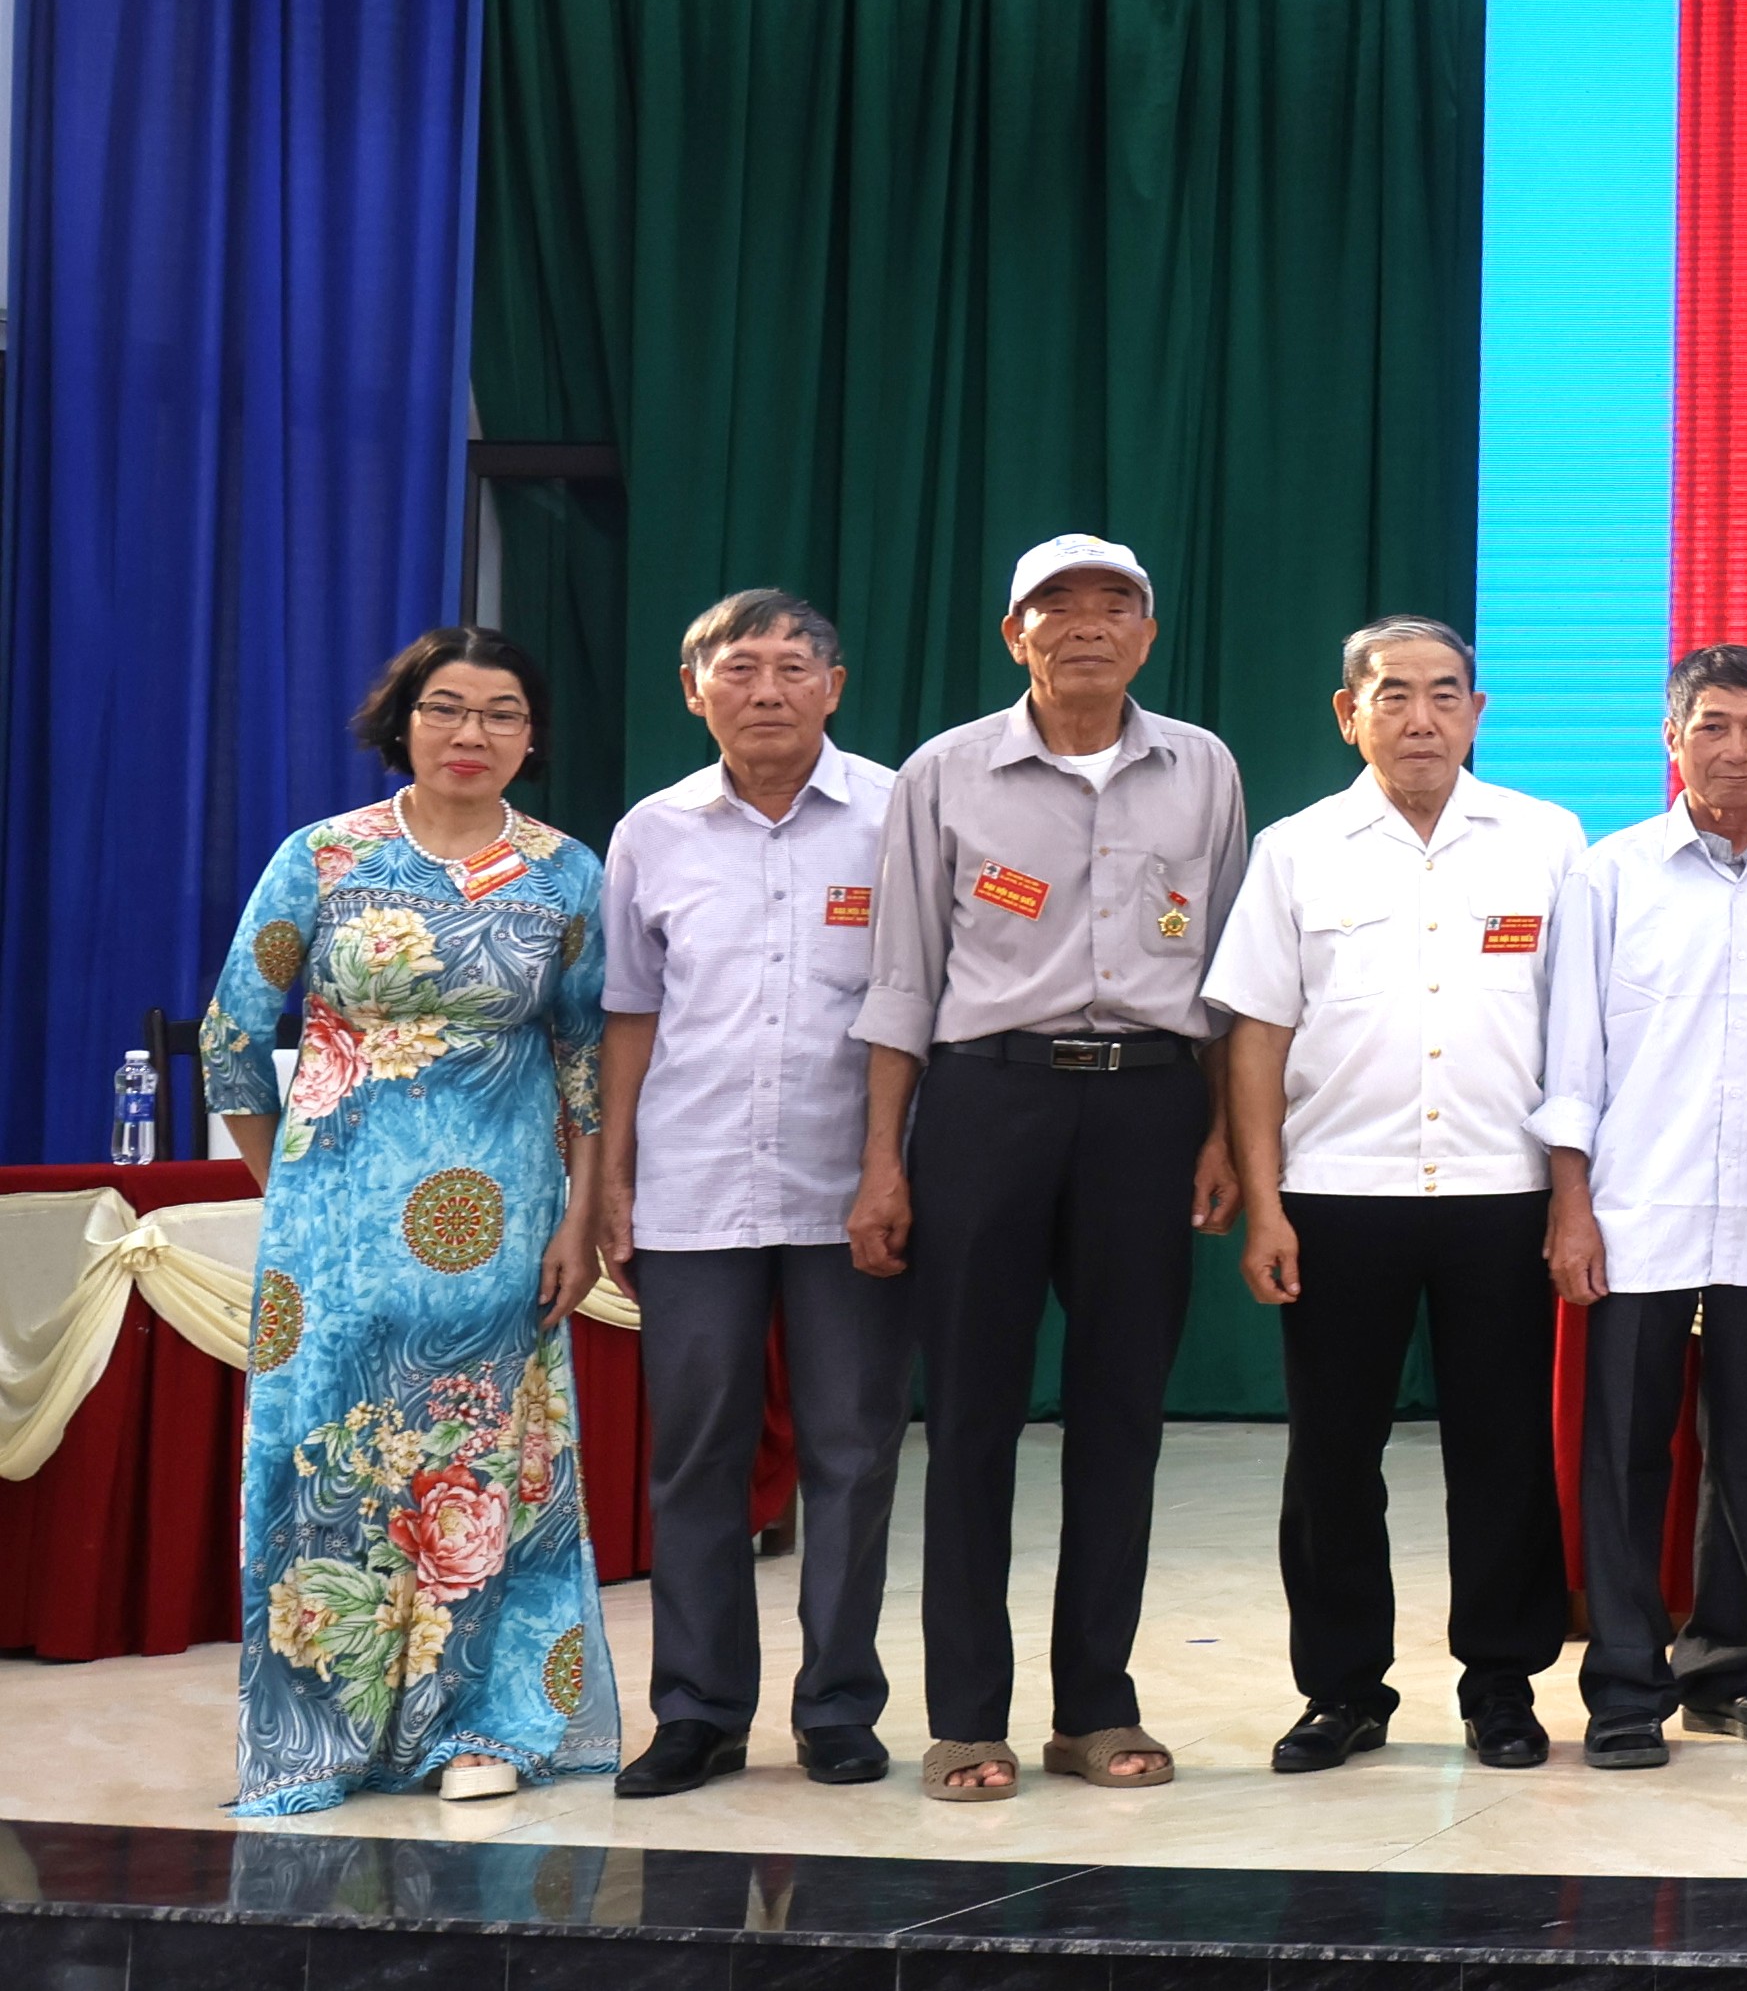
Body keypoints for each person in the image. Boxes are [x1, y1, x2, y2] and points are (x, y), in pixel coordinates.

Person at [854, 532, 1251, 1801]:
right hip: (989, 1099)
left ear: (1148, 633)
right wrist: (884, 1160)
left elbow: (1230, 974)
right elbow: (902, 977)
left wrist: (1223, 1134)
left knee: (1123, 1414)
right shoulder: (944, 770)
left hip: (1150, 1105)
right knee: (972, 1413)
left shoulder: (1203, 767)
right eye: (1056, 604)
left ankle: (1096, 1706)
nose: (1086, 624)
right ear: (1013, 632)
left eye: (1114, 604)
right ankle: (967, 1715)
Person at [208, 628, 622, 1812]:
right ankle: (319, 1734)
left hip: (502, 1233)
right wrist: (293, 1188)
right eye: (446, 706)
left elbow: (587, 1059)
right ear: (404, 722)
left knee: (485, 1472)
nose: (470, 732)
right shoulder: (323, 856)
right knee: (322, 1469)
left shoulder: (565, 873)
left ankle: (485, 1726)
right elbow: (232, 1034)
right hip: (330, 1243)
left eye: (501, 712)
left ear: (531, 739)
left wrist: (581, 1217)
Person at [1207, 617, 1588, 1773]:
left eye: (1444, 694)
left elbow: (1579, 1031)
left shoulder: (1547, 839)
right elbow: (1257, 1036)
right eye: (1393, 695)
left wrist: (1571, 1196)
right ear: (1348, 713)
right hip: (1338, 1192)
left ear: (1477, 710)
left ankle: (1502, 1683)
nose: (1421, 718)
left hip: (1503, 1190)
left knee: (1503, 1450)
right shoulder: (1295, 849)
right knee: (1332, 1455)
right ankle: (1342, 1689)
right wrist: (1266, 1203)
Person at [593, 589, 909, 1798]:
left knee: (852, 1453)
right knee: (696, 1457)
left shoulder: (897, 812)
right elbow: (632, 1012)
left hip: (850, 1186)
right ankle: (698, 1710)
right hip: (695, 1183)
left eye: (792, 665)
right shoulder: (652, 831)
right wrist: (614, 1172)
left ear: (835, 686)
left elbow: (919, 1001)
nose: (767, 689)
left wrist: (893, 1163)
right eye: (739, 667)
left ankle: (837, 1705)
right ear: (695, 689)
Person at [1540, 644, 1747, 1772]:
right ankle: (1626, 1686)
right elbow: (1570, 1053)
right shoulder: (1608, 873)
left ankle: (1729, 1671)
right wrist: (1571, 1205)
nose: (1735, 748)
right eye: (1712, 725)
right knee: (1626, 1454)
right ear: (1671, 738)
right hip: (1636, 1208)